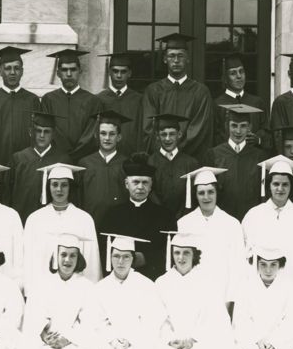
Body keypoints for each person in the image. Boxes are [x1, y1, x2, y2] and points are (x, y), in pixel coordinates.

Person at [21, 163, 98, 296]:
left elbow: (92, 260)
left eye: (64, 185)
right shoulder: (35, 219)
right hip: (43, 289)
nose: (59, 189)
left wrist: (91, 291)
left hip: (75, 290)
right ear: (48, 186)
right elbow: (28, 260)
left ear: (70, 187)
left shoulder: (84, 219)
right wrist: (30, 290)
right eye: (54, 184)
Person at [241, 156, 293, 288]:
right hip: (260, 284)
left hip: (292, 283)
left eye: (285, 184)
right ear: (268, 185)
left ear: (291, 186)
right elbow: (244, 252)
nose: (280, 189)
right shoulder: (254, 215)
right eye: (276, 184)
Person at [175, 166, 246, 306]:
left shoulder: (232, 224)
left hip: (222, 291)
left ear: (216, 193)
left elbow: (238, 265)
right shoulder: (184, 223)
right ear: (195, 195)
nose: (206, 197)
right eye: (201, 193)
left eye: (210, 192)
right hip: (193, 291)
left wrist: (231, 299)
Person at [100, 152, 176, 281]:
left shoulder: (165, 216)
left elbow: (170, 251)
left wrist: (147, 258)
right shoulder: (112, 215)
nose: (140, 187)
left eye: (145, 182)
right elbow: (104, 251)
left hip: (153, 278)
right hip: (120, 280)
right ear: (126, 184)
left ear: (151, 185)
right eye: (135, 182)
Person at [139, 33, 214, 159]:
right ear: (164, 59)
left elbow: (199, 129)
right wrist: (165, 152)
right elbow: (149, 128)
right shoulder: (153, 91)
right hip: (160, 160)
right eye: (171, 56)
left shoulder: (201, 92)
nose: (176, 60)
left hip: (190, 160)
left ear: (188, 58)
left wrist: (176, 152)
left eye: (181, 56)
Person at [205, 103, 269, 221]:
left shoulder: (260, 156)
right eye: (234, 125)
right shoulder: (214, 154)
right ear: (227, 126)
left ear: (249, 127)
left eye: (243, 126)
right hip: (222, 219)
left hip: (252, 219)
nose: (238, 131)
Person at [5, 110, 71, 222]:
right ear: (31, 132)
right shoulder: (18, 159)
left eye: (46, 132)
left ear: (53, 134)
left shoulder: (63, 160)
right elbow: (7, 194)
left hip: (53, 222)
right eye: (38, 131)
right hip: (22, 219)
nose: (42, 135)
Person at [41, 48, 102, 160]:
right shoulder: (48, 100)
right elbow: (48, 129)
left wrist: (74, 155)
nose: (69, 74)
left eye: (73, 69)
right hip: (55, 159)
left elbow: (91, 133)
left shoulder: (93, 101)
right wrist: (63, 154)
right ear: (58, 73)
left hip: (84, 159)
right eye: (64, 70)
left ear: (80, 71)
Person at [0, 46, 41, 165]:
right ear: (0, 71)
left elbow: (38, 134)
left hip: (27, 162)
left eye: (16, 68)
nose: (12, 72)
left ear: (22, 71)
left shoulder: (32, 100)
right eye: (7, 68)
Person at [76, 109, 129, 227]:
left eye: (112, 134)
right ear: (96, 135)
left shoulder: (127, 164)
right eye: (103, 133)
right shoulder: (84, 164)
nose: (107, 138)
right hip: (90, 223)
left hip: (120, 224)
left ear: (119, 137)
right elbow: (79, 198)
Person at [148, 113, 200, 219]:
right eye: (163, 134)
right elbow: (149, 193)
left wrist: (183, 216)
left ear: (179, 134)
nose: (168, 139)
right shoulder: (149, 163)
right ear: (157, 136)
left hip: (186, 219)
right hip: (157, 218)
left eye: (172, 134)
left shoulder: (191, 163)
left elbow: (194, 195)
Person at [212, 53, 268, 148]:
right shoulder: (217, 104)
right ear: (225, 78)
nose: (239, 76)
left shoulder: (257, 103)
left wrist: (258, 139)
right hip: (226, 159)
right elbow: (213, 136)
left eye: (241, 71)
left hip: (253, 157)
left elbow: (267, 134)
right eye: (233, 73)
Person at [93, 52, 145, 156]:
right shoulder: (98, 99)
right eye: (115, 71)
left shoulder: (139, 99)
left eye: (123, 72)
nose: (119, 76)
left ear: (129, 73)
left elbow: (141, 131)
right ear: (109, 72)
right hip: (105, 157)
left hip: (132, 157)